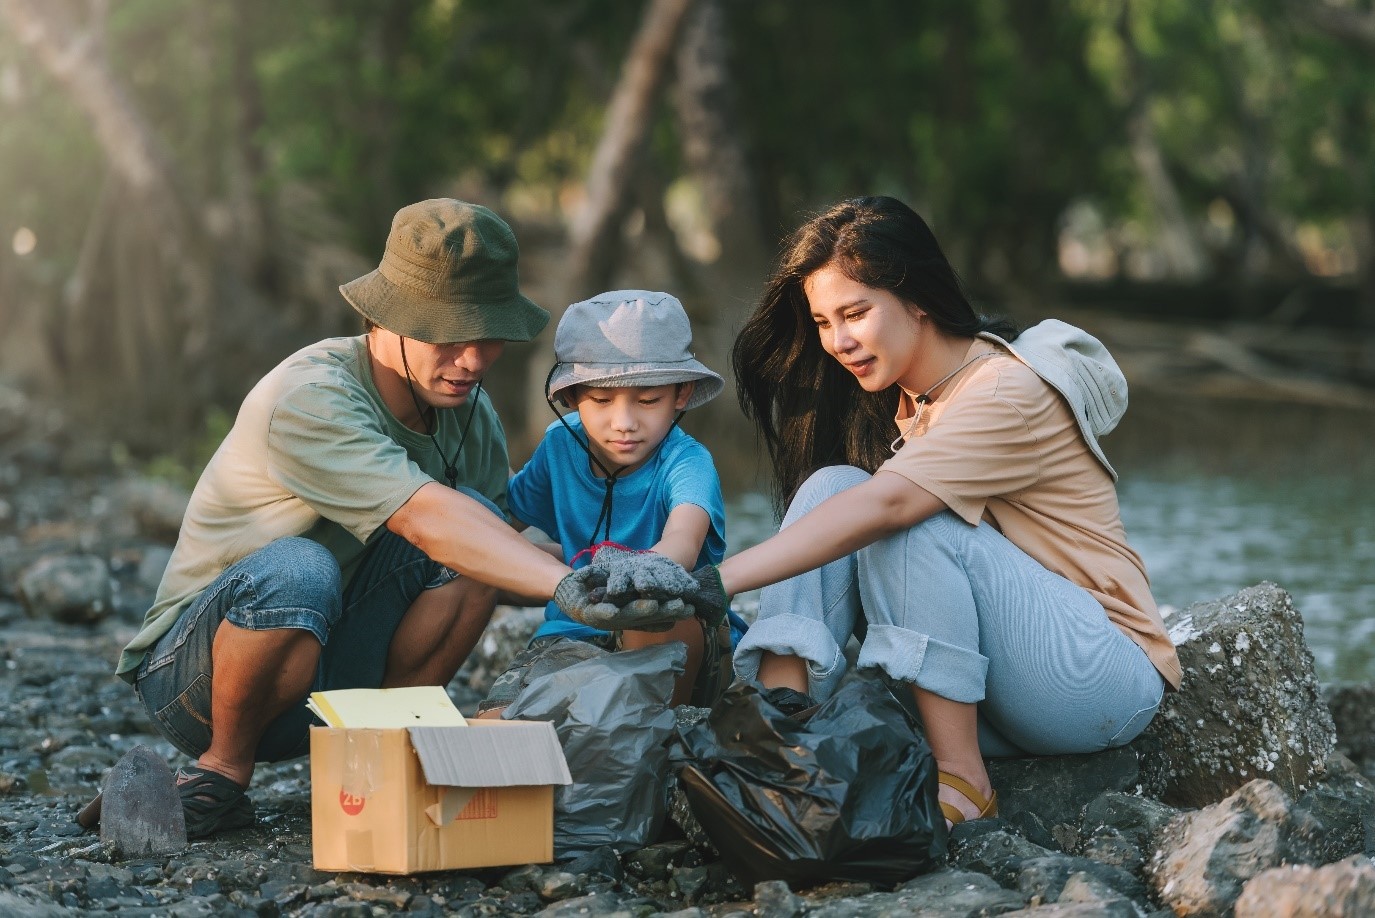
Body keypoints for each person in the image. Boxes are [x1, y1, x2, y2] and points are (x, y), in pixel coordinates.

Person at [620, 195, 1181, 830]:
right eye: (824, 322)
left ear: (918, 298)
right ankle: (778, 734)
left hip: (1094, 678)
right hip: (992, 688)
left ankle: (964, 785)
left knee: (902, 516)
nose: (838, 341)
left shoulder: (1004, 390)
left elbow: (890, 506)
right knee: (833, 483)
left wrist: (709, 584)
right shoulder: (908, 405)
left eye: (855, 314)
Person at [111, 199, 637, 838]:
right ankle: (220, 774)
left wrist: (608, 577)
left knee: (478, 538)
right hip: (196, 679)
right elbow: (426, 519)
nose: (472, 360)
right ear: (388, 321)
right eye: (451, 335)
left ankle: (377, 756)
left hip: (330, 667)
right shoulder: (311, 396)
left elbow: (492, 554)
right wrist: (558, 585)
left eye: (489, 335)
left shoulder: (471, 414)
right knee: (304, 568)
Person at [477, 290, 730, 716]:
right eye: (601, 401)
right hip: (570, 632)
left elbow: (683, 540)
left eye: (649, 401)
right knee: (498, 727)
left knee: (650, 615)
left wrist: (646, 569)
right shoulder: (560, 447)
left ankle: (667, 739)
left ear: (681, 394)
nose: (625, 423)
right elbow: (500, 528)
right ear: (572, 398)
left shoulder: (687, 463)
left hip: (669, 625)